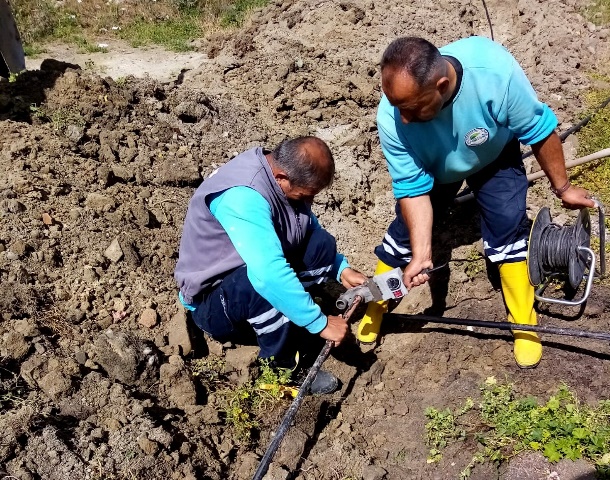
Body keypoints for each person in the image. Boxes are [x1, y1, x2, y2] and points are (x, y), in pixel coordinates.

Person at [356, 36, 595, 368]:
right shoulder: (392, 117)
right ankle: (375, 307)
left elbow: (539, 130)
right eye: (397, 106)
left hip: (494, 156)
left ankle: (523, 322)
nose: (404, 118)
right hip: (434, 169)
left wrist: (563, 187)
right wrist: (422, 253)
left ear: (441, 85)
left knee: (509, 228)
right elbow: (412, 190)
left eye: (412, 108)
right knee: (403, 239)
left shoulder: (493, 71)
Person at [175, 136, 367, 394]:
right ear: (282, 177)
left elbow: (305, 226)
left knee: (320, 243)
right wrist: (320, 323)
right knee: (261, 286)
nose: (307, 203)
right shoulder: (243, 197)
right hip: (214, 303)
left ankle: (294, 314)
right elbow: (267, 275)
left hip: (246, 273)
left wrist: (340, 267)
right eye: (305, 195)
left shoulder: (277, 173)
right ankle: (281, 370)